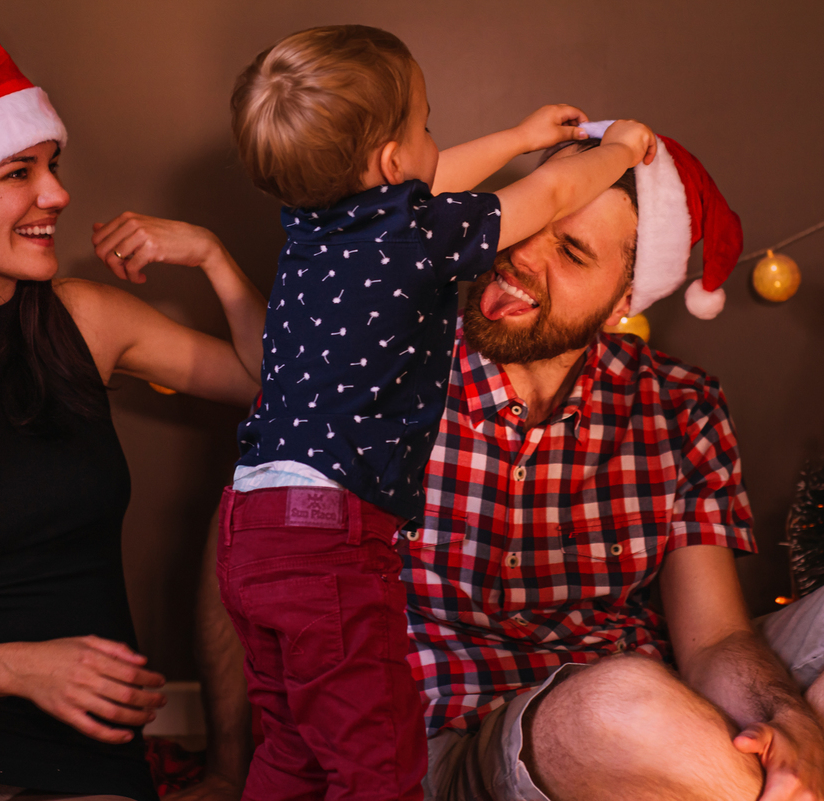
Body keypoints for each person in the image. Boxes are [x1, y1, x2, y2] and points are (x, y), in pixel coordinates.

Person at [181, 132, 824, 801]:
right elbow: (248, 553)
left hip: (664, 713)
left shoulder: (678, 403)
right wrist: (226, 768)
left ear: (626, 298)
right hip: (454, 742)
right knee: (615, 699)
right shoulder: (387, 362)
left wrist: (788, 721)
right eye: (527, 224)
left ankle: (798, 777)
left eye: (574, 253)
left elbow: (714, 639)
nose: (523, 257)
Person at [221, 25, 656, 801]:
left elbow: (421, 178)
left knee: (292, 747)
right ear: (392, 161)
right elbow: (552, 195)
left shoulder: (313, 223)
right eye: (427, 125)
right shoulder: (421, 238)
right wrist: (621, 150)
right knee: (380, 762)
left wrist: (519, 137)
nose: (434, 143)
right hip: (331, 536)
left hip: (250, 525)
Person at [0, 20, 265, 801]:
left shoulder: (85, 320)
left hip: (84, 724)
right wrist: (21, 667)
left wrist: (211, 254)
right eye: (18, 171)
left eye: (52, 165)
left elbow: (268, 381)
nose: (58, 193)